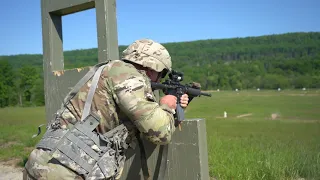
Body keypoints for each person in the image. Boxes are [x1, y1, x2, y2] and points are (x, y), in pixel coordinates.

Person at [23, 39, 190, 180]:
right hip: (67, 171)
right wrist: (167, 107)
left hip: (42, 161)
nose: (159, 79)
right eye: (161, 74)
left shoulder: (109, 69)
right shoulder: (129, 77)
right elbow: (161, 133)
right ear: (153, 67)